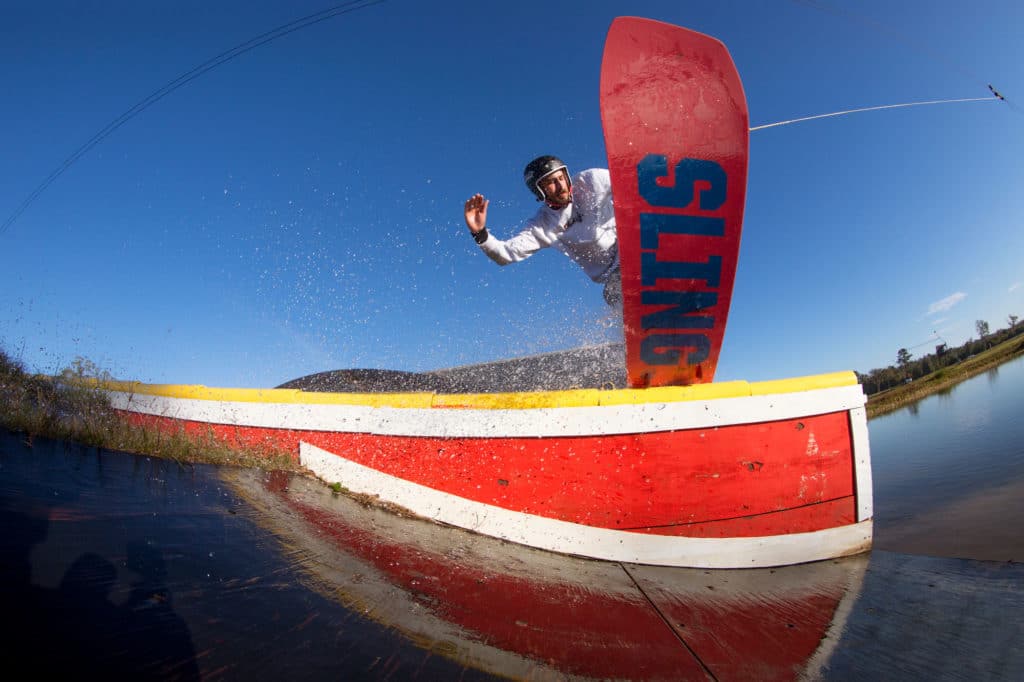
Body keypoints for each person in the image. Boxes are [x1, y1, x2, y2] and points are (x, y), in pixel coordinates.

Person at [463, 155, 621, 307]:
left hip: (633, 242)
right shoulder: (542, 225)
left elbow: (629, 180)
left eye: (561, 178)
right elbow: (504, 254)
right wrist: (479, 233)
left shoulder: (592, 181)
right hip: (615, 276)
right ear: (539, 191)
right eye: (550, 183)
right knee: (612, 293)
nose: (561, 186)